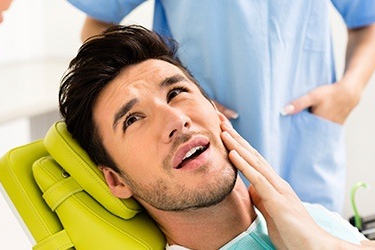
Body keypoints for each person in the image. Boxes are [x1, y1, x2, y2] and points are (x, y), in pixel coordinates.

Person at [58, 24, 375, 249]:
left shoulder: (311, 219)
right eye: (133, 119)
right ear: (116, 181)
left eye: (177, 92)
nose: (177, 120)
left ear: (216, 113)